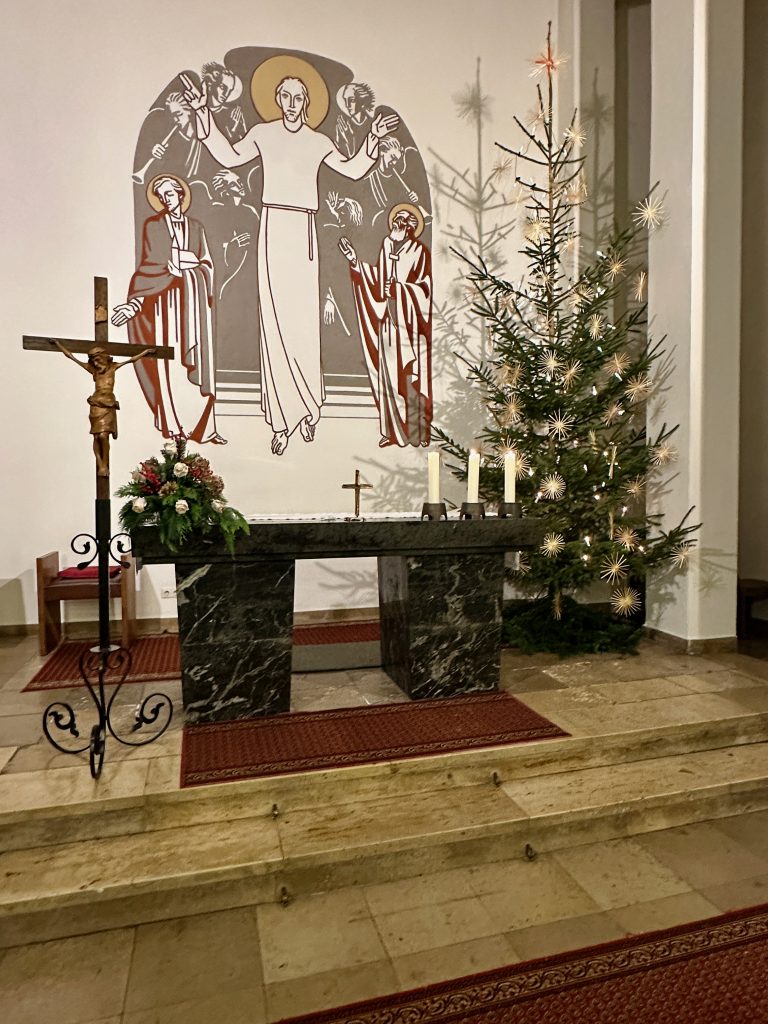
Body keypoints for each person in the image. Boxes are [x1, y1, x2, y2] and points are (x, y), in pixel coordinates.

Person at [180, 68, 399, 455]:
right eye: (286, 96)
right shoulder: (263, 134)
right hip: (273, 226)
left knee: (302, 322)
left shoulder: (318, 141)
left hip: (304, 229)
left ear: (307, 103)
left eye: (299, 97)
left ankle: (309, 409)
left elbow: (352, 169)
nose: (292, 104)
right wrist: (203, 113)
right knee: (274, 320)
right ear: (278, 100)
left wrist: (374, 139)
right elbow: (229, 156)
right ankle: (281, 421)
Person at [111, 175, 226, 444]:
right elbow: (149, 267)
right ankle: (174, 427)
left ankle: (204, 429)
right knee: (170, 366)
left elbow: (207, 266)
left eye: (169, 194)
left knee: (199, 364)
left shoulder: (196, 227)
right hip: (166, 307)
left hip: (194, 306)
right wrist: (136, 303)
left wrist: (188, 270)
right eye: (161, 196)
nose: (165, 200)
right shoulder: (153, 226)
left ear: (180, 195)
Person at [339, 206, 433, 447]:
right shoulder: (387, 246)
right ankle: (394, 433)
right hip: (389, 326)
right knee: (390, 381)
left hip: (410, 329)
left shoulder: (419, 251)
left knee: (411, 379)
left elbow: (425, 289)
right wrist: (354, 261)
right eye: (396, 219)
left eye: (402, 220)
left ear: (410, 226)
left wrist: (400, 290)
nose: (396, 223)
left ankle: (418, 433)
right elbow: (377, 280)